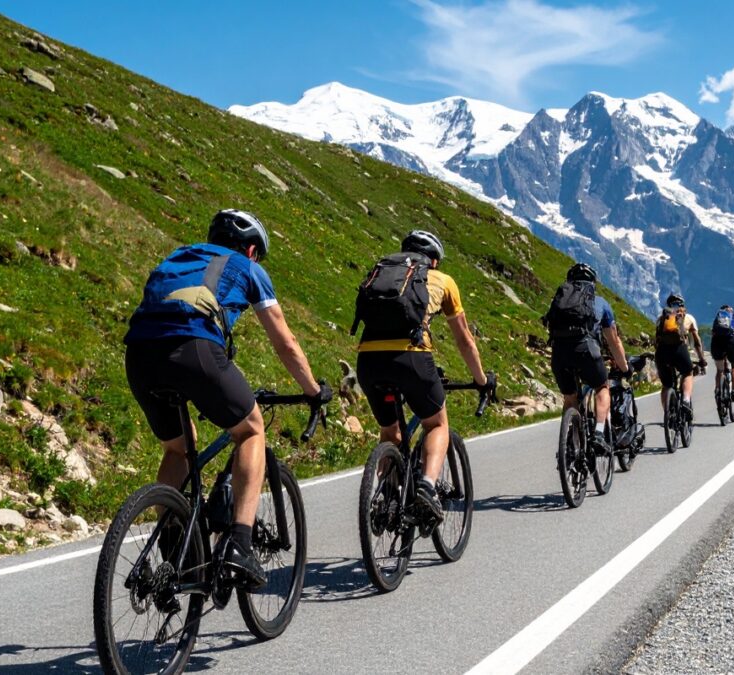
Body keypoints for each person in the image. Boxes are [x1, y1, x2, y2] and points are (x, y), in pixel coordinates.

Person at [124, 209, 332, 589]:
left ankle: (174, 545)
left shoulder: (179, 256)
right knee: (251, 431)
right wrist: (313, 390)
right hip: (195, 350)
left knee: (178, 448)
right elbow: (285, 342)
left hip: (139, 356)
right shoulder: (248, 268)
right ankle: (239, 543)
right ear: (252, 249)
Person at [354, 230, 492, 521]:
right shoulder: (443, 281)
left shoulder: (382, 272)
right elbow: (465, 339)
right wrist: (480, 380)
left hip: (368, 359)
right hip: (412, 358)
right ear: (434, 261)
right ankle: (427, 489)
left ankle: (386, 499)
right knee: (437, 424)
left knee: (390, 432)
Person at [544, 263, 630, 456]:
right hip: (586, 350)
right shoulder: (600, 303)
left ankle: (570, 445)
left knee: (570, 397)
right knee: (602, 387)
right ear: (593, 283)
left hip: (559, 353)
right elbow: (613, 341)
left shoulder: (559, 300)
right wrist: (624, 368)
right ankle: (599, 434)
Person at [654, 293, 706, 419]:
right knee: (687, 373)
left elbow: (657, 340)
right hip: (679, 351)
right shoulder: (688, 318)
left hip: (662, 352)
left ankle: (668, 414)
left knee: (666, 385)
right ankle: (686, 401)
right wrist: (701, 359)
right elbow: (697, 342)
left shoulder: (661, 318)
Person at [710, 305, 734, 401]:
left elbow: (713, 334)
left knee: (719, 370)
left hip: (717, 343)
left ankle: (718, 390)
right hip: (731, 342)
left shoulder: (717, 320)